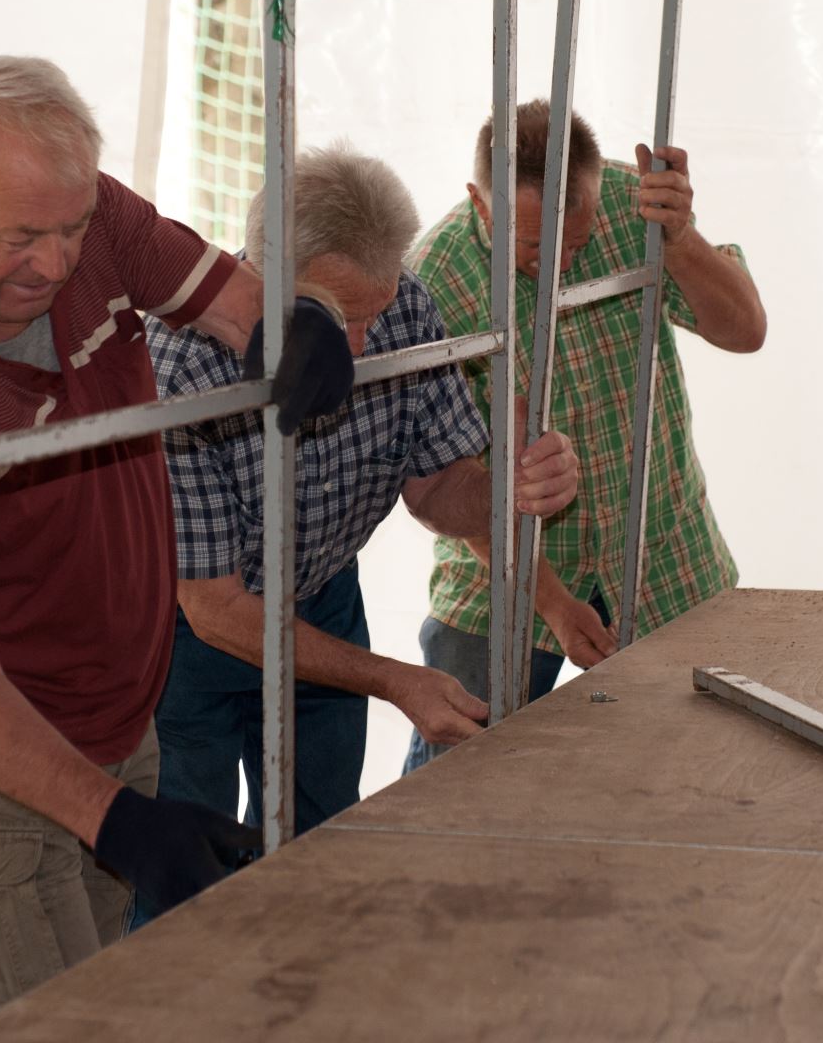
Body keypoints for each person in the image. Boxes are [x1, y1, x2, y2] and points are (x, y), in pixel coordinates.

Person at [0, 57, 350, 1023]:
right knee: (48, 1014)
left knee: (96, 994)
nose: (56, 265)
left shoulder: (94, 215)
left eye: (70, 231)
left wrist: (303, 324)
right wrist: (119, 823)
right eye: (20, 237)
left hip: (116, 700)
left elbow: (239, 304)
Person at [138, 143, 583, 893]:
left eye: (372, 314)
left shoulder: (403, 304)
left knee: (321, 848)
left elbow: (439, 487)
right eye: (332, 316)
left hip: (321, 596)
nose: (358, 347)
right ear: (262, 278)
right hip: (184, 633)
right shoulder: (181, 365)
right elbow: (214, 610)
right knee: (189, 871)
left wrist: (509, 486)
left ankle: (305, 999)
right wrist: (392, 681)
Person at [404, 101, 767, 771]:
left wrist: (681, 238)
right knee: (461, 799)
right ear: (479, 205)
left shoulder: (642, 209)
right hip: (502, 582)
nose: (552, 267)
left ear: (599, 194)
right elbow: (446, 487)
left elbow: (745, 331)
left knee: (706, 778)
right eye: (530, 247)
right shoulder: (435, 281)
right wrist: (553, 604)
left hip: (665, 557)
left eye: (575, 241)